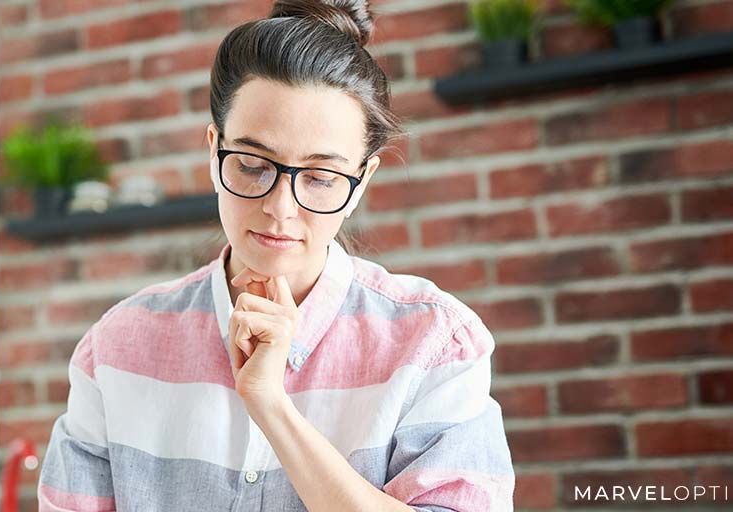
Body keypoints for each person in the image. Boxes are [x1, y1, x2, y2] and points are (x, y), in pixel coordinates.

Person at [36, 1, 516, 510]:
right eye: (250, 165)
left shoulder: (433, 344)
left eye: (322, 177)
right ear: (213, 150)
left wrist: (273, 410)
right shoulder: (116, 350)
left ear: (360, 183)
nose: (279, 208)